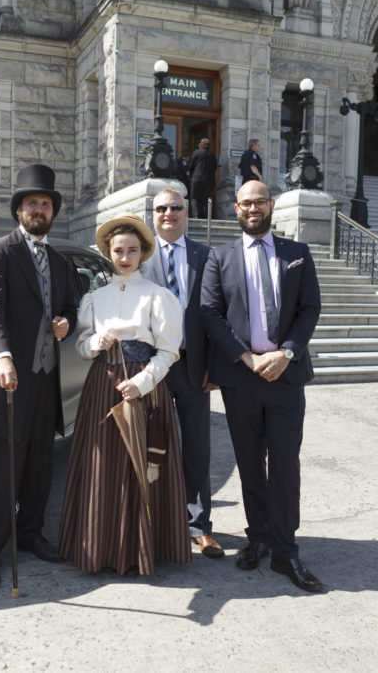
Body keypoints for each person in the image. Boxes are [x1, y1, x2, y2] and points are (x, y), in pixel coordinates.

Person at [200, 180, 323, 592]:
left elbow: (310, 308)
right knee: (250, 464)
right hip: (242, 378)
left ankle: (286, 552)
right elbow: (210, 313)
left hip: (286, 377)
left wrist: (285, 352)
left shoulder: (297, 254)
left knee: (285, 466)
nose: (252, 209)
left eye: (259, 202)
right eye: (245, 203)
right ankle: (258, 537)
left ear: (272, 205)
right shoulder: (220, 257)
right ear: (235, 208)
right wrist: (248, 357)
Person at [58, 212, 191, 576]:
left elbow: (169, 352)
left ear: (143, 252)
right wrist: (94, 343)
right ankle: (101, 549)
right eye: (118, 250)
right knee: (103, 465)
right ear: (108, 252)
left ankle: (142, 550)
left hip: (142, 386)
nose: (125, 257)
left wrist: (142, 383)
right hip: (102, 386)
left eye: (132, 250)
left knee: (141, 465)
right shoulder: (94, 298)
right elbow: (82, 347)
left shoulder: (159, 297)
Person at [0, 163, 79, 589]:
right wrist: (1, 356)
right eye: (32, 203)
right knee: (4, 470)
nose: (39, 209)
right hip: (9, 378)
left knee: (38, 466)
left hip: (46, 379)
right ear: (19, 209)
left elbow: (71, 305)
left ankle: (32, 533)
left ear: (53, 212)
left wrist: (66, 323)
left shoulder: (59, 258)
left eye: (46, 203)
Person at [139, 186, 222, 559]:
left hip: (192, 365)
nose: (168, 214)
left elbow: (217, 315)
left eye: (175, 208)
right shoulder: (138, 256)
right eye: (161, 208)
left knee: (197, 446)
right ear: (152, 214)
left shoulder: (207, 257)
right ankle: (152, 521)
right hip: (151, 365)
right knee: (150, 443)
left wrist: (215, 367)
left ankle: (198, 525)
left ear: (186, 213)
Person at [189, 138, 218, 220]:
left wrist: (190, 175)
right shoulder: (212, 155)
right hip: (209, 180)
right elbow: (215, 167)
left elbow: (191, 165)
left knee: (194, 197)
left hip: (197, 179)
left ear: (201, 144)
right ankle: (206, 216)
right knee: (206, 199)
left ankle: (195, 215)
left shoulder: (197, 153)